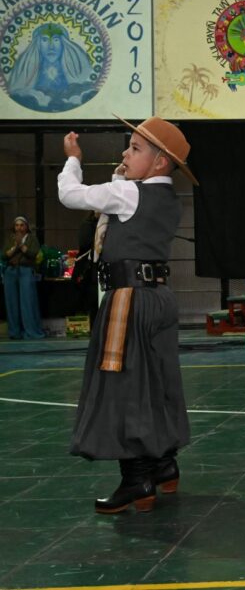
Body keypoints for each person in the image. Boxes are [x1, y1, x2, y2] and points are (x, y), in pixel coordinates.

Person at [57, 115, 198, 514]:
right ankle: (164, 464)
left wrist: (73, 158)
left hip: (127, 300)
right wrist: (125, 173)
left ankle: (137, 480)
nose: (125, 153)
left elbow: (70, 194)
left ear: (160, 161)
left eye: (135, 149)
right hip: (159, 299)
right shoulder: (168, 198)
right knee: (157, 382)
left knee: (123, 387)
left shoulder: (128, 193)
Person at [3, 215, 45, 340]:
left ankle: (31, 331)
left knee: (28, 302)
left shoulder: (32, 239)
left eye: (22, 225)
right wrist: (15, 246)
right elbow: (4, 255)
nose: (19, 228)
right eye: (17, 225)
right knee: (11, 302)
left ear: (26, 227)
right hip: (11, 271)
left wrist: (21, 245)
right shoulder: (10, 238)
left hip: (26, 270)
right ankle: (14, 332)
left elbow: (33, 253)